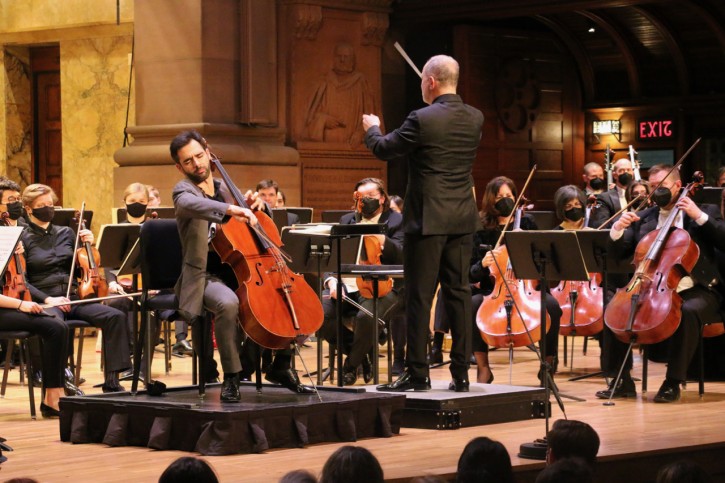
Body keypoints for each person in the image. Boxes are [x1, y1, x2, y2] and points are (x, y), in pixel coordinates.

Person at [363, 54, 483, 392]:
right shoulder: (475, 117)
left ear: (430, 81)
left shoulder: (423, 118)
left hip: (428, 220)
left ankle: (418, 373)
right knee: (458, 294)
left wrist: (372, 127)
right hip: (461, 218)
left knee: (419, 296)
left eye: (422, 82)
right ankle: (461, 374)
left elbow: (384, 148)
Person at [170, 130, 313, 401]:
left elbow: (253, 222)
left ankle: (281, 366)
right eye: (188, 161)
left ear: (208, 153)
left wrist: (258, 207)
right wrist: (232, 210)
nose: (197, 164)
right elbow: (190, 204)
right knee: (228, 304)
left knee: (288, 295)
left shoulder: (225, 187)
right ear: (180, 167)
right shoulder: (183, 190)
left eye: (200, 156)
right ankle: (233, 376)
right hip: (206, 274)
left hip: (243, 270)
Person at [596, 164, 725, 402]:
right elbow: (619, 254)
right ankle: (621, 380)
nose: (656, 191)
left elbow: (722, 239)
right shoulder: (644, 217)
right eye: (652, 186)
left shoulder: (704, 212)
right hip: (652, 287)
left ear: (678, 186)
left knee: (686, 311)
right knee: (616, 309)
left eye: (662, 186)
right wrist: (616, 230)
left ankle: (673, 381)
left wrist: (698, 215)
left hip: (698, 288)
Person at [20, 183, 132, 392]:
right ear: (28, 208)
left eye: (50, 204)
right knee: (56, 326)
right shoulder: (22, 238)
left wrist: (89, 245)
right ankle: (59, 378)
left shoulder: (66, 233)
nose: (48, 209)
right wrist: (47, 300)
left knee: (115, 316)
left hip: (72, 297)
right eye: (42, 205)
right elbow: (23, 281)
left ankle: (112, 380)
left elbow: (82, 268)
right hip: (45, 300)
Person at [470, 177, 562, 384]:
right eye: (500, 196)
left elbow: (543, 261)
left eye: (509, 196)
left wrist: (526, 245)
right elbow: (470, 273)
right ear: (490, 199)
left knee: (552, 306)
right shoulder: (480, 227)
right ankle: (483, 368)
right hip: (492, 290)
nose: (505, 200)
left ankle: (547, 366)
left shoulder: (526, 222)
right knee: (472, 305)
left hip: (525, 288)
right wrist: (483, 264)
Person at [318, 177, 404, 385]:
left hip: (385, 286)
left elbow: (402, 255)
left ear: (382, 198)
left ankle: (349, 366)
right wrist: (331, 281)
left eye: (371, 197)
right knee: (319, 317)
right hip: (347, 285)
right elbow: (332, 256)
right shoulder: (348, 220)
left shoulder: (397, 220)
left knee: (366, 317)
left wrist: (381, 237)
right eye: (361, 197)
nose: (366, 201)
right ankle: (361, 355)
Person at [305, 42, 377, 146]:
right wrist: (324, 120)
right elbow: (310, 116)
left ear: (352, 60)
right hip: (326, 145)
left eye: (346, 57)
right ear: (334, 59)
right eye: (339, 56)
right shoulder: (325, 81)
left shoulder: (361, 82)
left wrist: (360, 133)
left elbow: (371, 115)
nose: (342, 60)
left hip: (352, 145)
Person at [591, 158, 634, 227]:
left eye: (628, 170)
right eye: (621, 170)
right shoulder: (604, 198)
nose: (626, 173)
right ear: (615, 175)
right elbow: (601, 224)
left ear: (633, 173)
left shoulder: (639, 194)